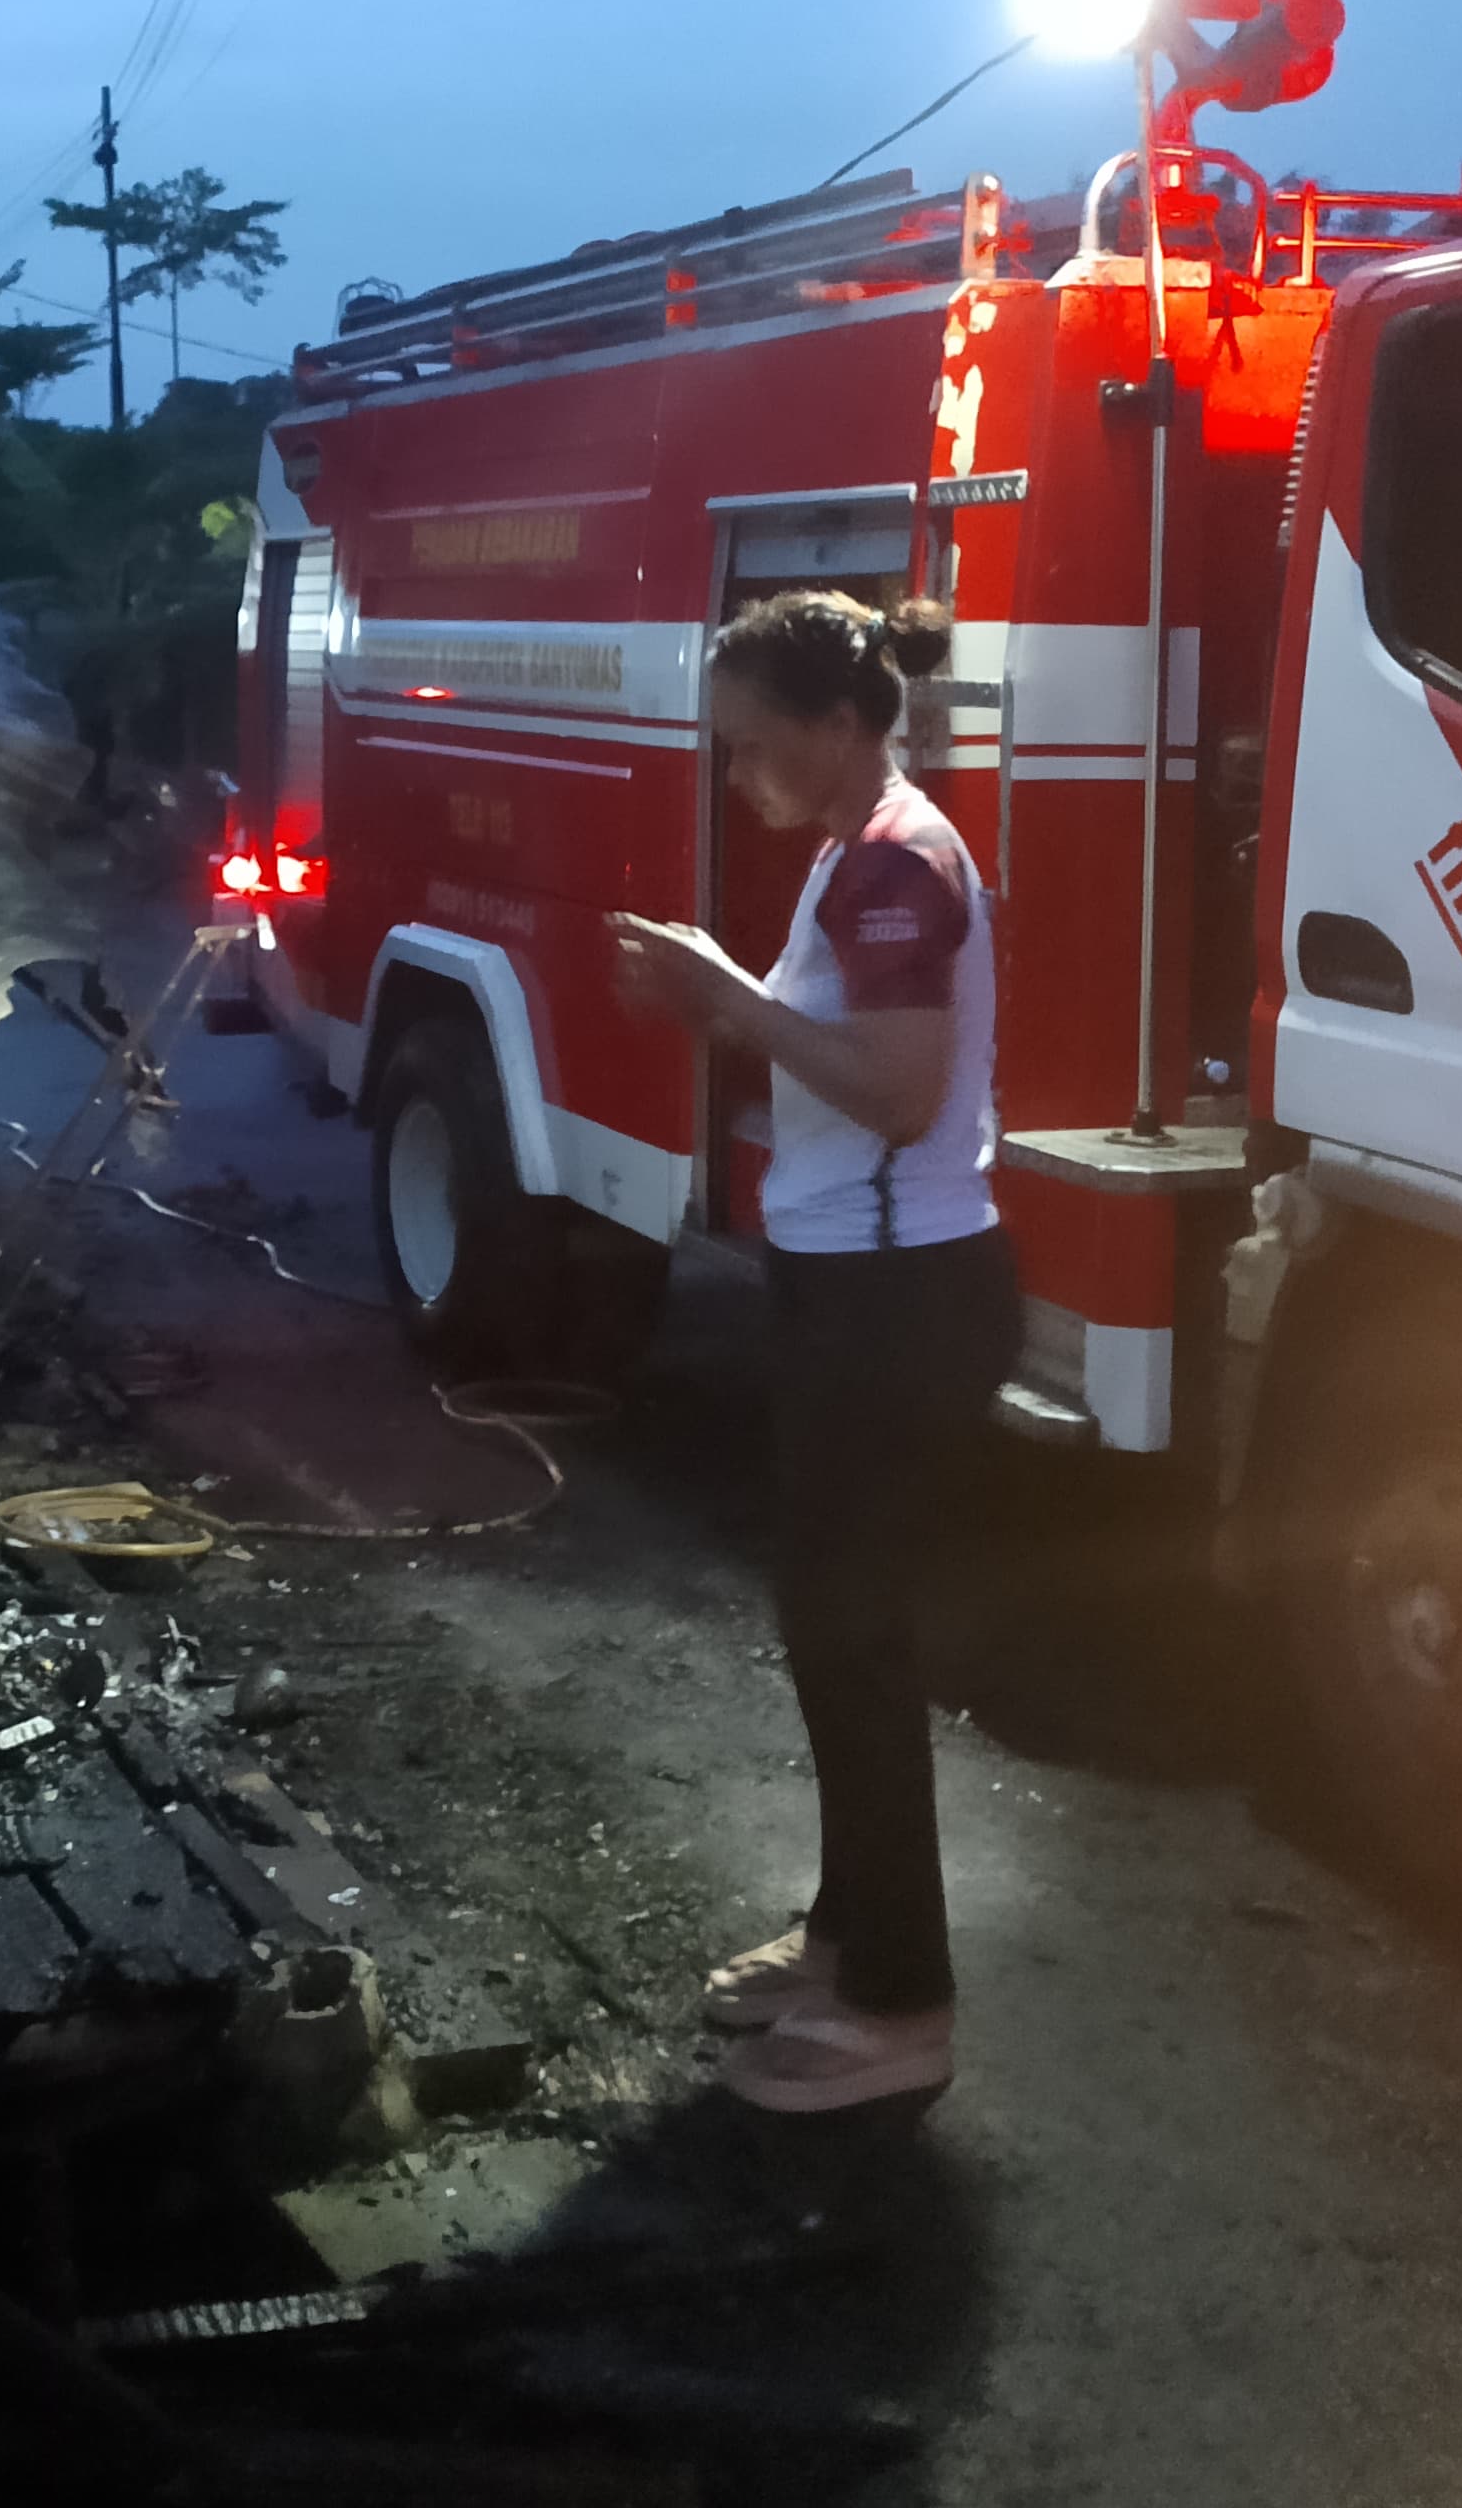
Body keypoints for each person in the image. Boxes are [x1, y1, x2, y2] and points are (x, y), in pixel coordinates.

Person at [608, 588, 1015, 2116]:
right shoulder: (858, 850)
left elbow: (901, 1091)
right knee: (830, 1635)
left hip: (896, 1302)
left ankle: (904, 2010)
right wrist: (723, 992)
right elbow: (854, 1055)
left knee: (860, 1648)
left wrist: (725, 1000)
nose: (737, 776)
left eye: (753, 745)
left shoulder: (896, 861)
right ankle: (848, 1942)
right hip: (856, 1287)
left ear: (840, 726)